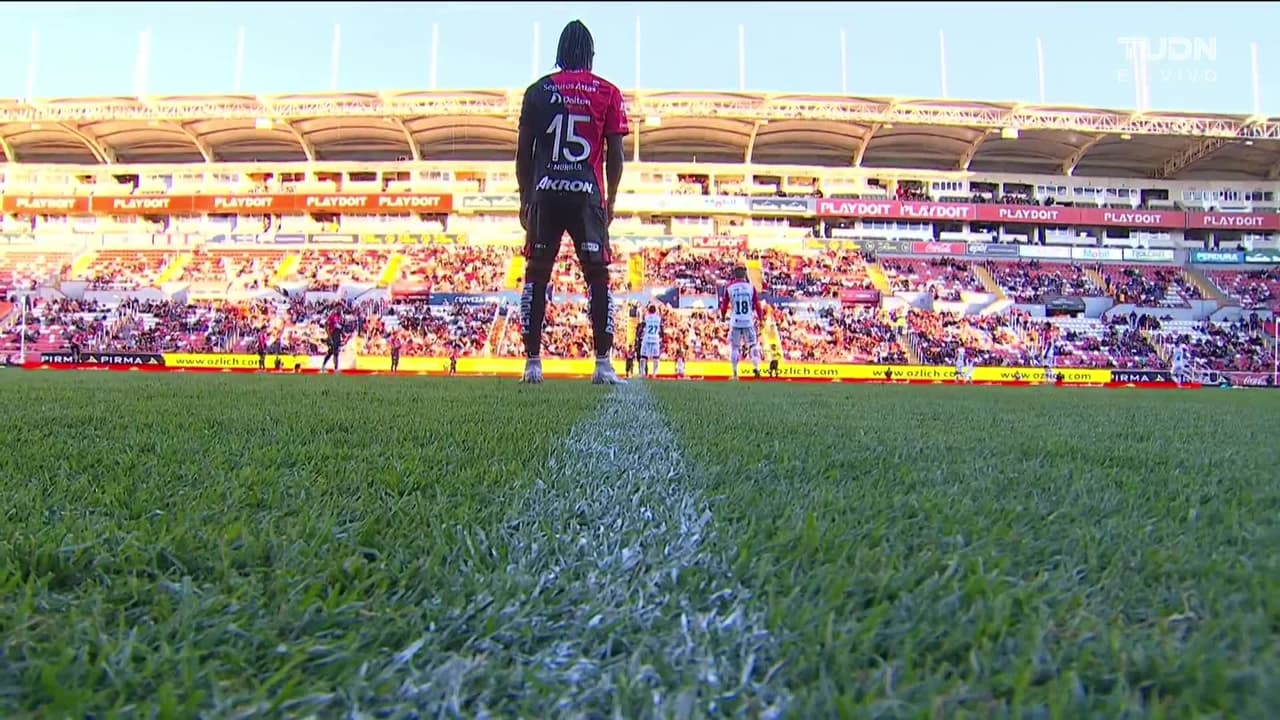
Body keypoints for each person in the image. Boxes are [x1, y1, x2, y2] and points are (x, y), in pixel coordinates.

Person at [516, 19, 629, 385]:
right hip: (586, 194)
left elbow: (523, 154)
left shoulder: (537, 91)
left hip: (545, 192)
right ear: (590, 55)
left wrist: (525, 198)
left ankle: (532, 364)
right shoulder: (608, 92)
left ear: (560, 53)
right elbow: (615, 155)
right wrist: (609, 200)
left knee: (536, 274)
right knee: (597, 277)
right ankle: (602, 364)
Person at [718, 266, 762, 380]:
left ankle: (735, 373)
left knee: (734, 348)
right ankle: (756, 369)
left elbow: (724, 305)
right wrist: (761, 318)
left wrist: (722, 317)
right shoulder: (750, 287)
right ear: (745, 274)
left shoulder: (730, 288)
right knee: (752, 345)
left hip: (735, 321)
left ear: (734, 274)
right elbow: (757, 305)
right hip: (748, 321)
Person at [639, 304, 663, 378]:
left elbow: (642, 327)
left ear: (648, 310)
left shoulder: (646, 317)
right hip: (655, 338)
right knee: (656, 357)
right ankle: (654, 373)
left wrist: (638, 335)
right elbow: (661, 329)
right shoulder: (658, 318)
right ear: (655, 311)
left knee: (643, 356)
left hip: (647, 338)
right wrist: (662, 337)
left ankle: (642, 372)